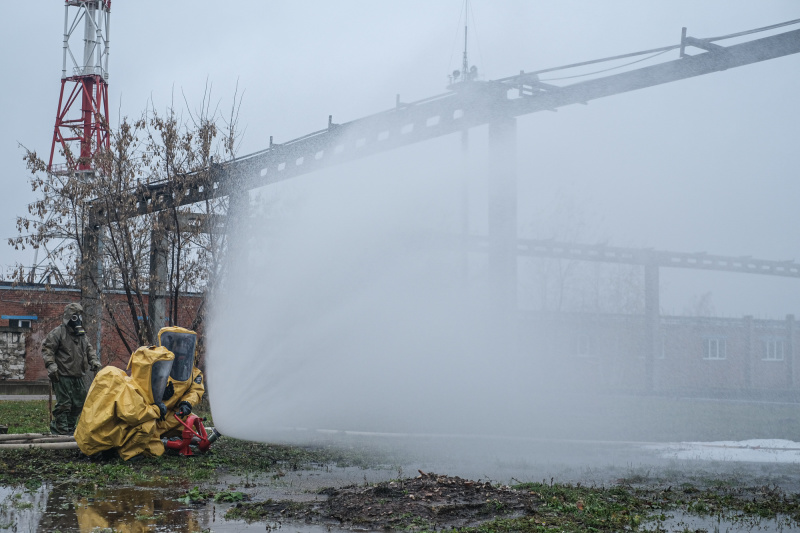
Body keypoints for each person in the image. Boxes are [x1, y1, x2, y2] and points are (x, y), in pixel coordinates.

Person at [75, 345, 172, 460]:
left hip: (87, 438)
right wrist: (157, 409)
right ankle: (127, 454)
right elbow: (135, 415)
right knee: (147, 423)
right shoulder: (128, 390)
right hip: (98, 441)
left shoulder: (122, 382)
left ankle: (107, 450)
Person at [41, 302, 101, 435]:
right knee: (64, 405)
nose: (78, 319)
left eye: (79, 316)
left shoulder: (81, 335)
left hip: (78, 375)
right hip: (62, 375)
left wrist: (94, 361)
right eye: (75, 316)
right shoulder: (58, 332)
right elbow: (47, 349)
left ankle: (69, 428)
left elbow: (89, 349)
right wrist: (51, 365)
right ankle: (60, 431)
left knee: (79, 403)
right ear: (69, 317)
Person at [155, 326, 205, 439]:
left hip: (177, 414)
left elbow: (196, 391)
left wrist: (186, 403)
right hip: (157, 414)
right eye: (178, 345)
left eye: (184, 346)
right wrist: (158, 398)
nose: (181, 349)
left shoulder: (194, 373)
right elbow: (141, 388)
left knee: (190, 421)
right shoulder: (156, 368)